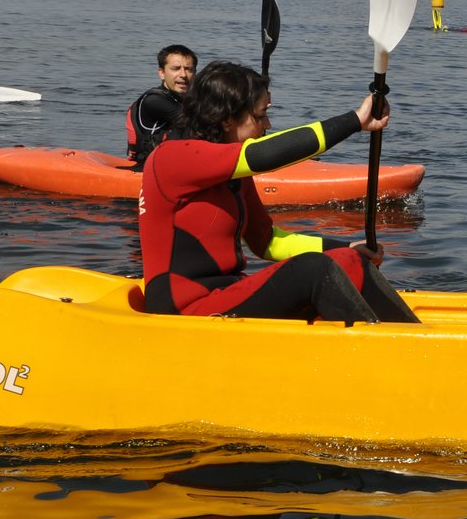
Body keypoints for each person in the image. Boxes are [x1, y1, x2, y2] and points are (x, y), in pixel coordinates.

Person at [139, 59, 419, 324]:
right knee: (312, 270)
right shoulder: (172, 158)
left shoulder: (234, 174)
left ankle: (414, 338)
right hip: (182, 311)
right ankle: (385, 351)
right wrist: (354, 121)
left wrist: (345, 247)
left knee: (349, 261)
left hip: (225, 295)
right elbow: (265, 155)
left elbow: (268, 242)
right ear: (226, 120)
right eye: (261, 116)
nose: (268, 125)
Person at [126, 45, 198, 170]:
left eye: (188, 69)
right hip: (149, 169)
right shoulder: (154, 101)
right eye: (176, 69)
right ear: (162, 73)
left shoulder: (190, 100)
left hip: (175, 166)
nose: (183, 75)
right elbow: (197, 124)